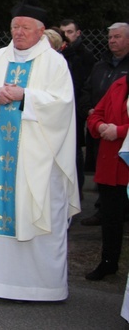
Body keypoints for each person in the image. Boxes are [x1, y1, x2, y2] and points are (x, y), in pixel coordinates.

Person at [0, 0, 80, 301]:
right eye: (15, 27)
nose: (19, 32)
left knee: (31, 210)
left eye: (25, 27)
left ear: (40, 31)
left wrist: (26, 95)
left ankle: (37, 285)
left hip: (34, 157)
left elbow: (63, 104)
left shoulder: (54, 62)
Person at [78, 22, 129, 225]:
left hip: (121, 136)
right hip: (102, 130)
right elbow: (86, 91)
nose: (112, 41)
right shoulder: (100, 65)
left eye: (117, 37)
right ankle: (104, 212)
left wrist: (119, 129)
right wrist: (91, 112)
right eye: (110, 37)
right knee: (108, 186)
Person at [85, 72, 129, 281]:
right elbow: (95, 114)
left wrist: (120, 131)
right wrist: (100, 126)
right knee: (111, 218)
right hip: (111, 162)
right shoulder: (119, 83)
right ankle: (108, 262)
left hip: (125, 162)